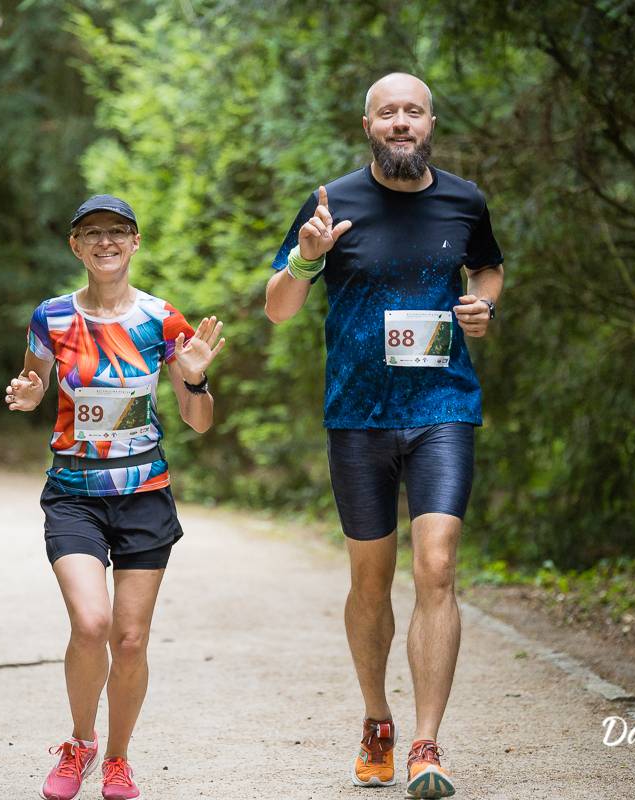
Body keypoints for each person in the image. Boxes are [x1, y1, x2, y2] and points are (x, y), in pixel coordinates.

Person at [264, 73, 505, 798]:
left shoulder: (464, 199)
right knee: (370, 582)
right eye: (388, 113)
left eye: (413, 112)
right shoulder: (331, 203)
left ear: (431, 121)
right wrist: (308, 257)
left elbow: (488, 268)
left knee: (437, 566)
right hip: (358, 416)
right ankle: (378, 720)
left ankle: (428, 745)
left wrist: (479, 306)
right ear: (368, 123)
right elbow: (277, 309)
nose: (401, 123)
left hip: (442, 408)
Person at [5, 195, 225, 800]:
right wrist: (25, 395)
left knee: (129, 639)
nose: (105, 242)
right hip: (74, 492)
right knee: (92, 621)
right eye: (92, 233)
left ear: (135, 243)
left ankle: (119, 758)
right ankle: (80, 742)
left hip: (143, 494)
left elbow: (198, 420)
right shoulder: (50, 318)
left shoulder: (162, 320)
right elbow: (34, 382)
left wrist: (198, 378)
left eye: (118, 232)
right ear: (75, 246)